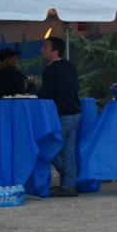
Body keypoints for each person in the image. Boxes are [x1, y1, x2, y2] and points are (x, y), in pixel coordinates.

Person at [36, 37, 81, 197]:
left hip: (62, 115)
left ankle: (70, 181)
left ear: (55, 51)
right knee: (68, 152)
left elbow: (46, 93)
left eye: (46, 47)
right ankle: (69, 185)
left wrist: (32, 93)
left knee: (50, 148)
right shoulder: (70, 66)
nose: (42, 49)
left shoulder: (51, 70)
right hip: (75, 114)